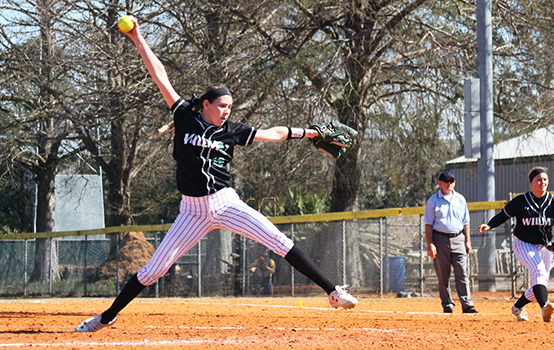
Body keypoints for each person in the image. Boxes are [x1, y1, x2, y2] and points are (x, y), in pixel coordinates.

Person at [75, 18, 357, 332]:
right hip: (192, 212)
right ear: (206, 104)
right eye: (222, 105)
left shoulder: (232, 131)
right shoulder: (184, 117)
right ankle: (106, 316)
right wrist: (137, 37)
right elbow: (160, 76)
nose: (227, 111)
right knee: (154, 269)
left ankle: (333, 292)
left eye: (230, 107)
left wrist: (312, 132)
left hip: (226, 203)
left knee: (279, 240)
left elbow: (274, 134)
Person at [478, 166, 554, 322]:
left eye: (545, 180)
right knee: (538, 271)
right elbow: (503, 216)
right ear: (531, 183)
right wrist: (489, 225)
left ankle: (517, 307)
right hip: (523, 243)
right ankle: (545, 307)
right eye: (538, 180)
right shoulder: (521, 201)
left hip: (544, 246)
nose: (542, 183)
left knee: (540, 284)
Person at [425, 170, 478, 314]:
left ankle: (467, 304)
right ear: (440, 183)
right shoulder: (433, 201)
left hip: (458, 238)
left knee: (462, 272)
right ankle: (447, 303)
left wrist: (468, 241)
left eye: (452, 181)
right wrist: (430, 244)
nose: (449, 184)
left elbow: (465, 222)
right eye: (446, 181)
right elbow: (428, 224)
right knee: (443, 274)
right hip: (440, 239)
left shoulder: (460, 199)